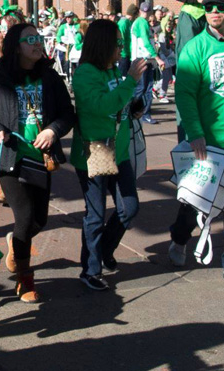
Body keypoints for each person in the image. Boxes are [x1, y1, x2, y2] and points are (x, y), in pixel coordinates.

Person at [0, 22, 74, 302]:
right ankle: (24, 280)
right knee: (25, 217)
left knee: (39, 220)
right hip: (10, 158)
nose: (38, 43)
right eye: (31, 40)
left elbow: (67, 113)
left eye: (39, 38)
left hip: (42, 159)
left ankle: (16, 244)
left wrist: (53, 131)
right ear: (17, 47)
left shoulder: (50, 78)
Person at [166, 0, 224, 287]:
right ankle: (178, 239)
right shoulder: (195, 48)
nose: (214, 11)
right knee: (197, 203)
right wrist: (195, 133)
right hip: (209, 141)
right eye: (210, 7)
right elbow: (185, 96)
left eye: (221, 7)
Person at [71, 19, 148, 291]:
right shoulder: (84, 75)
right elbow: (103, 106)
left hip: (120, 151)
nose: (121, 49)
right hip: (96, 150)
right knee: (95, 215)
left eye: (122, 43)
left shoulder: (114, 70)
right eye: (117, 43)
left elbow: (120, 104)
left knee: (129, 207)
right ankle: (90, 270)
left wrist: (135, 106)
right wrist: (131, 82)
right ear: (103, 45)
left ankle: (104, 249)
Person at [129, 2, 166, 125]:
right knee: (143, 88)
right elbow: (145, 42)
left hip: (144, 58)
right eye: (144, 11)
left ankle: (140, 113)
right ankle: (138, 113)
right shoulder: (141, 23)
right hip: (142, 58)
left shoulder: (140, 23)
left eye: (147, 11)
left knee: (145, 87)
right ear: (140, 11)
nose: (145, 13)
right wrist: (157, 58)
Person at [116, 4, 135, 74]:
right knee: (122, 75)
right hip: (124, 54)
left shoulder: (130, 22)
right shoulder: (123, 23)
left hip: (129, 53)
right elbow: (120, 39)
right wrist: (121, 52)